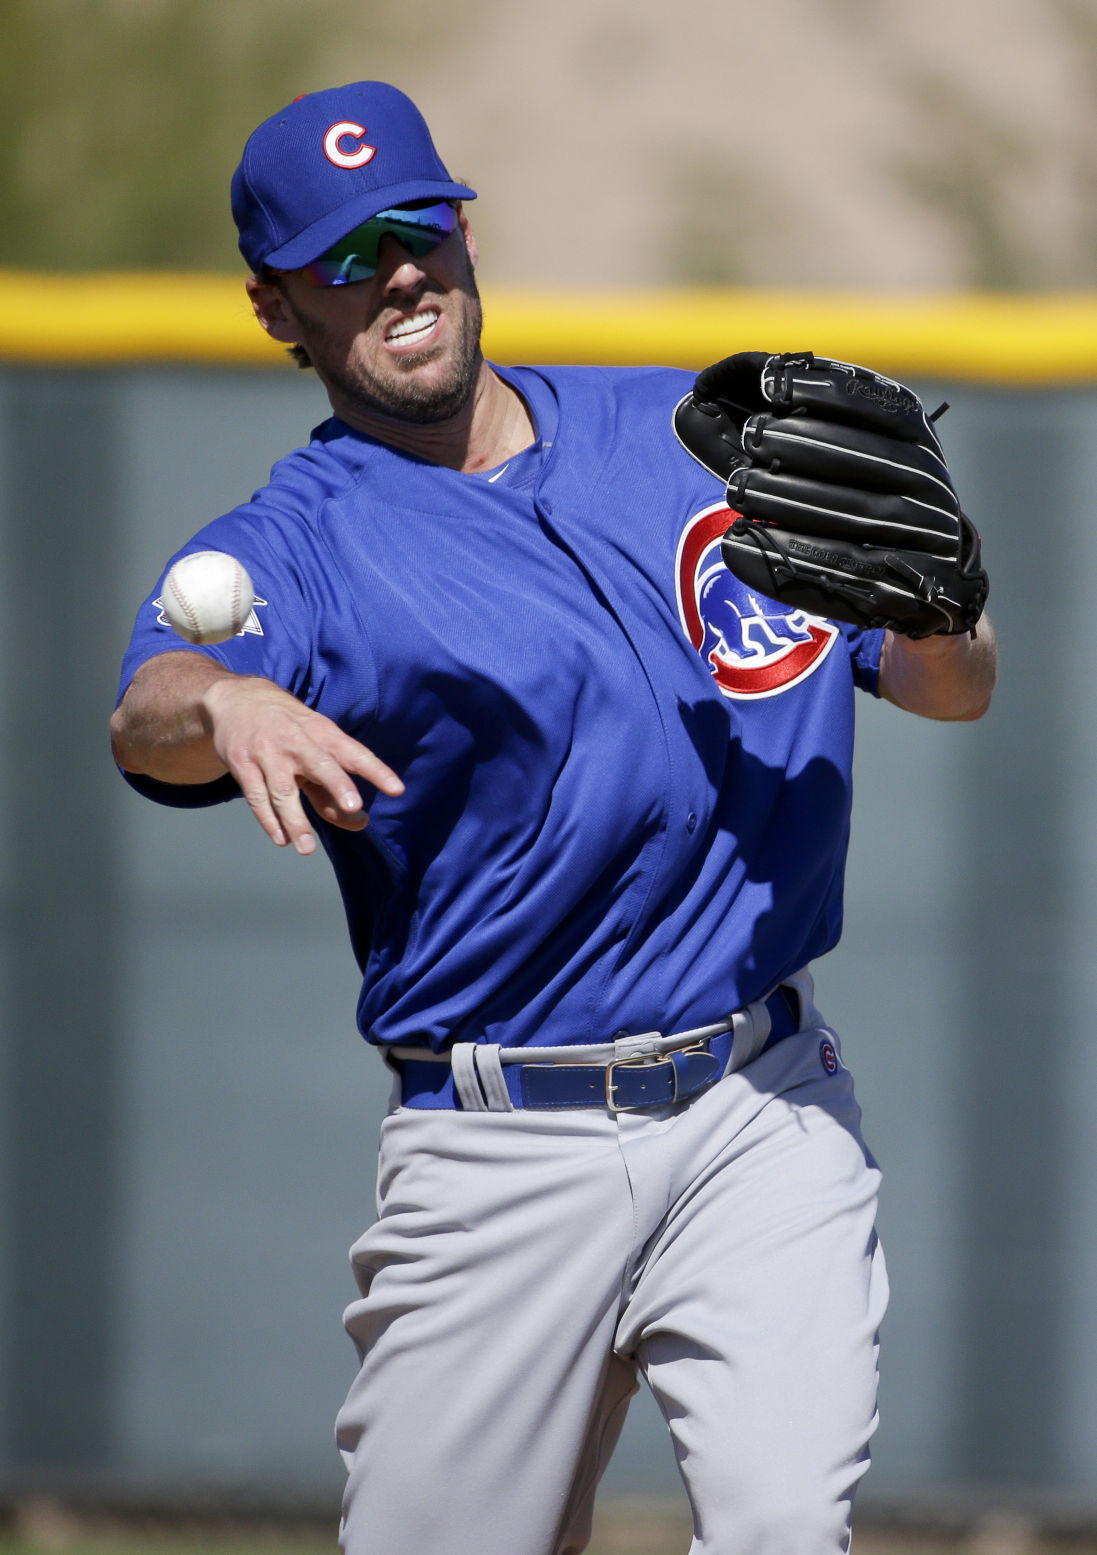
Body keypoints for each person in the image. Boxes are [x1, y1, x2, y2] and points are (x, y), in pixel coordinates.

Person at [110, 80, 997, 1555]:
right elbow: (153, 704)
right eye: (347, 256)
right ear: (279, 313)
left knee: (786, 1531)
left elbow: (946, 687)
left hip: (758, 1102)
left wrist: (948, 609)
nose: (400, 271)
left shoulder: (682, 431)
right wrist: (224, 704)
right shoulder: (297, 547)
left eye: (420, 227)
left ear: (464, 237)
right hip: (501, 1145)